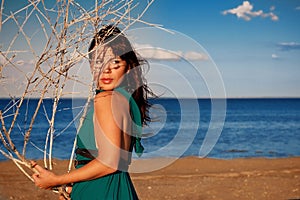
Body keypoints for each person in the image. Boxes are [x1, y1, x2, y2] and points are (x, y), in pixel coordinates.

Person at [31, 25, 153, 200]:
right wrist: (75, 184)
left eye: (115, 62)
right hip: (116, 187)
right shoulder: (125, 101)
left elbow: (110, 162)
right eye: (98, 61)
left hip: (102, 190)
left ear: (127, 68)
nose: (106, 69)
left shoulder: (106, 99)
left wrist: (57, 179)